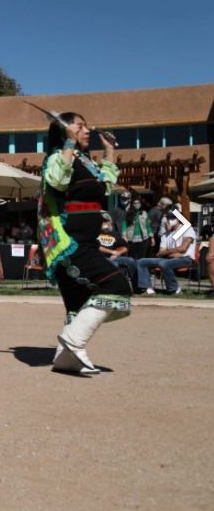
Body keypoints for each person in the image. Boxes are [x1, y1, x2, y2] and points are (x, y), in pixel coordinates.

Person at [38, 111, 130, 375]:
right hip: (71, 242)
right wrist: (68, 143)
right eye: (80, 126)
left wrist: (109, 151)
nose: (87, 130)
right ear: (67, 130)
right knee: (116, 285)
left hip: (86, 240)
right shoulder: (58, 157)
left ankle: (66, 359)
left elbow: (107, 185)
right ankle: (73, 341)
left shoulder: (86, 162)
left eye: (87, 126)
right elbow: (57, 180)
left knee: (78, 303)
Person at [136, 210, 197, 295]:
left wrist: (168, 252)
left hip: (185, 258)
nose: (168, 221)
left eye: (171, 218)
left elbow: (183, 249)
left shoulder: (187, 230)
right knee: (141, 262)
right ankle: (146, 288)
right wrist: (172, 252)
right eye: (167, 218)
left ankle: (174, 289)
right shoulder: (165, 235)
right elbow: (160, 253)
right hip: (168, 258)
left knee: (164, 264)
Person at [97, 212, 137, 290]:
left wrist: (119, 253)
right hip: (99, 258)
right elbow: (95, 246)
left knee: (131, 261)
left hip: (113, 257)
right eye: (103, 221)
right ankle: (114, 287)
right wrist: (112, 252)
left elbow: (126, 246)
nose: (105, 223)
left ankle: (137, 287)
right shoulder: (94, 233)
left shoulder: (114, 234)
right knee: (113, 263)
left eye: (106, 221)